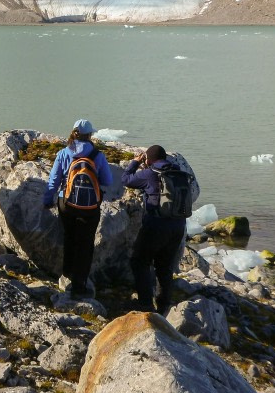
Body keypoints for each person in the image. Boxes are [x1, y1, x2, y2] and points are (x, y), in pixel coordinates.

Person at [42, 119, 113, 298]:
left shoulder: (64, 153)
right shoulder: (98, 155)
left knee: (69, 237)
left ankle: (67, 273)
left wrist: (47, 200)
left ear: (73, 133)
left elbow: (53, 181)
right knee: (86, 243)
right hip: (90, 206)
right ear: (90, 135)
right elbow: (107, 181)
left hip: (66, 204)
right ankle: (80, 283)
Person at [122, 144, 186, 314]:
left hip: (156, 225)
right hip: (178, 226)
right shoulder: (177, 172)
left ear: (149, 159)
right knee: (165, 266)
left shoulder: (150, 173)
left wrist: (135, 163)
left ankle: (145, 303)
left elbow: (126, 179)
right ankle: (164, 305)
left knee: (140, 262)